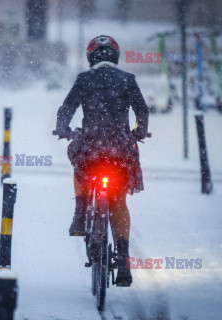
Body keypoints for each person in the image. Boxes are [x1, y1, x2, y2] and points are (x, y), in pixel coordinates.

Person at [53, 35, 149, 286]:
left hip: (91, 144)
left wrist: (63, 129)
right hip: (120, 148)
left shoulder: (84, 80)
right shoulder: (128, 80)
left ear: (90, 57)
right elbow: (142, 111)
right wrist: (138, 131)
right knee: (118, 201)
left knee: (78, 162)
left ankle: (79, 212)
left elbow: (66, 109)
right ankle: (124, 260)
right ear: (115, 56)